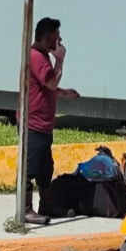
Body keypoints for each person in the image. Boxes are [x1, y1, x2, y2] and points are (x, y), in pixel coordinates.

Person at [23, 17, 81, 225]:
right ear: (48, 38)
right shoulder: (37, 57)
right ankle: (25, 208)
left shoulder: (41, 56)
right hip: (34, 123)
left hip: (44, 124)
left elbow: (48, 88)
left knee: (45, 167)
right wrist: (61, 59)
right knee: (29, 167)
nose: (60, 41)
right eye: (57, 37)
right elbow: (51, 81)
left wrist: (64, 93)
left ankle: (47, 204)